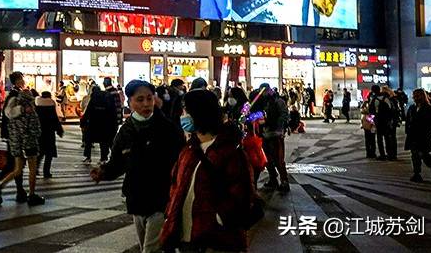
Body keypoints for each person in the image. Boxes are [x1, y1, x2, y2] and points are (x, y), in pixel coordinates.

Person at [160, 88, 257, 252]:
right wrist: (170, 215)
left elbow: (242, 195)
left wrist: (219, 219)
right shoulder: (188, 150)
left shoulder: (230, 152)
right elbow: (176, 186)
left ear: (199, 113)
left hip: (215, 240)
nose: (182, 115)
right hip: (186, 237)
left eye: (186, 110)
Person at [92, 80, 183, 253]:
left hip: (161, 200)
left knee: (150, 250)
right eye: (140, 100)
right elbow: (118, 163)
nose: (146, 104)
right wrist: (103, 172)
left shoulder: (168, 129)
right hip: (137, 199)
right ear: (129, 102)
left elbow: (179, 162)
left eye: (149, 98)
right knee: (147, 247)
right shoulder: (125, 131)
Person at [0, 72, 45, 206]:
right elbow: (34, 126)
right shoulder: (24, 105)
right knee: (31, 169)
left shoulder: (13, 100)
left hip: (15, 140)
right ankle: (31, 194)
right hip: (27, 141)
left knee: (16, 168)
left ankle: (0, 188)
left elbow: (8, 117)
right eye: (21, 79)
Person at [254, 83, 290, 191]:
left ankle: (284, 181)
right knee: (267, 159)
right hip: (265, 134)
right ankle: (273, 179)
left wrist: (275, 124)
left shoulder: (278, 101)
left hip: (275, 134)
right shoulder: (262, 101)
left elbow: (284, 115)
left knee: (278, 159)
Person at [405, 89, 431, 183]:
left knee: (424, 155)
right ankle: (417, 174)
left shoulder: (429, 108)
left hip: (423, 136)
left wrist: (428, 133)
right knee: (415, 155)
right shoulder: (412, 108)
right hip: (413, 135)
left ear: (422, 96)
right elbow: (408, 120)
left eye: (417, 96)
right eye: (414, 96)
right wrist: (407, 131)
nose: (415, 98)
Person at [82, 84, 117, 165]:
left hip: (93, 123)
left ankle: (88, 158)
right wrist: (114, 124)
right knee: (104, 142)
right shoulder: (107, 97)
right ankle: (103, 158)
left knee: (88, 141)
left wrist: (83, 122)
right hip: (105, 124)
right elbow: (112, 112)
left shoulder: (93, 98)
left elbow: (88, 111)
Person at [35, 91, 64, 179]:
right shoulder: (51, 105)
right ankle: (46, 172)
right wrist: (59, 130)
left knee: (39, 153)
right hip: (49, 133)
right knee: (49, 154)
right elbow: (55, 119)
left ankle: (35, 169)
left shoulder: (37, 105)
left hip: (39, 133)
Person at [370, 85, 397, 160]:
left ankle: (382, 155)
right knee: (387, 138)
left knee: (379, 139)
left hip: (378, 121)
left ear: (373, 91)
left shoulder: (374, 99)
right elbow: (391, 109)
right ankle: (390, 154)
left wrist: (371, 122)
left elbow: (371, 112)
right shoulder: (386, 98)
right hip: (386, 121)